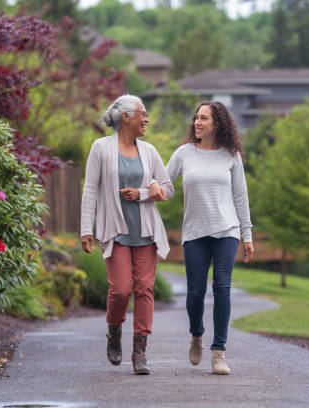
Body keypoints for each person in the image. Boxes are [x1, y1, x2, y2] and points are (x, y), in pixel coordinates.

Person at [80, 95, 172, 375]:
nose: (147, 119)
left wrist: (147, 191)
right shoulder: (101, 148)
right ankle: (114, 331)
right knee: (121, 290)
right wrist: (86, 229)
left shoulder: (149, 151)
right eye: (142, 114)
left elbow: (167, 188)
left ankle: (140, 351)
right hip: (116, 230)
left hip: (145, 231)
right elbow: (90, 190)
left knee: (144, 289)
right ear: (125, 117)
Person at [166, 101, 254, 375]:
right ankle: (197, 334)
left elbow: (241, 197)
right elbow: (166, 188)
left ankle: (219, 352)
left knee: (222, 288)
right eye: (196, 118)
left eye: (203, 118)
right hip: (194, 233)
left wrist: (246, 235)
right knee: (194, 294)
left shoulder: (231, 156)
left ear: (218, 123)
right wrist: (147, 191)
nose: (197, 122)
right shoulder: (183, 153)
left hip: (226, 231)